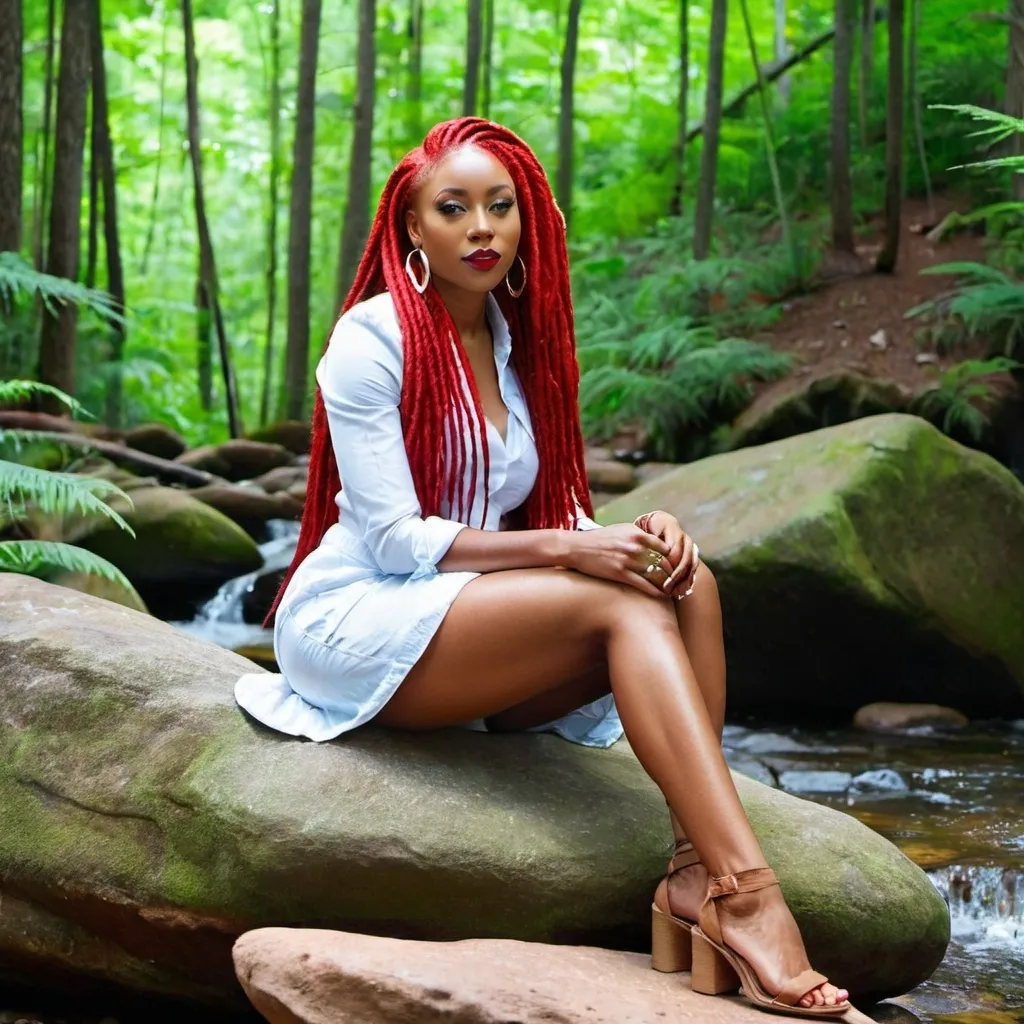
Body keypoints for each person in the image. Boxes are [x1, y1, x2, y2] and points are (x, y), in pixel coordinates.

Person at [234, 117, 852, 1018]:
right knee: (624, 614)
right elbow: (398, 540)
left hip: (468, 611)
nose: (481, 227)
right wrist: (571, 548)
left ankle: (694, 876)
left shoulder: (518, 347)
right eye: (453, 208)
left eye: (500, 206)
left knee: (684, 586)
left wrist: (636, 533)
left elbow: (543, 513)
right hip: (358, 617)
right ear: (412, 228)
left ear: (526, 224)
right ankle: (750, 896)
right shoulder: (370, 341)